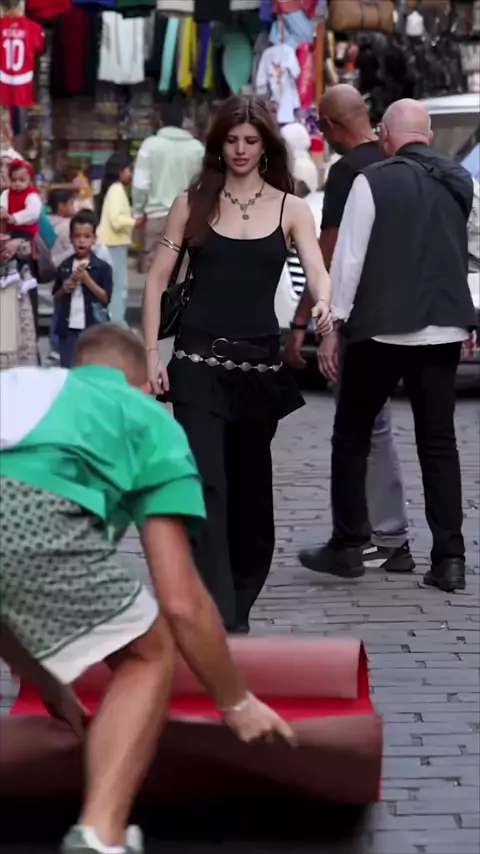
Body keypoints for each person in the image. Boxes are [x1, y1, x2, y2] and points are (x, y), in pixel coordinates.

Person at [0, 323, 294, 854]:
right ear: (143, 386)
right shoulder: (145, 416)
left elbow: (8, 601)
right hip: (30, 514)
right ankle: (101, 835)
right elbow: (181, 601)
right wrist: (235, 701)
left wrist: (48, 684)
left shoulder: (24, 386)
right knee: (149, 651)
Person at [142, 95, 332, 634]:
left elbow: (317, 268)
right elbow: (156, 280)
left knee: (250, 495)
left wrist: (323, 301)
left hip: (259, 370)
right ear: (218, 145)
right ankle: (216, 608)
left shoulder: (291, 207)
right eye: (231, 140)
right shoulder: (192, 202)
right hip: (196, 364)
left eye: (251, 140)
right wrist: (151, 352)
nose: (241, 150)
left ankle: (239, 595)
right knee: (208, 485)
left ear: (266, 145)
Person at [299, 99, 478, 593]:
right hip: (442, 329)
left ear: (385, 136)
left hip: (381, 329)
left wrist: (332, 326)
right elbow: (459, 250)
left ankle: (348, 543)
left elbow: (348, 262)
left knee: (352, 433)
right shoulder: (459, 180)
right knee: (438, 443)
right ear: (428, 136)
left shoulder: (371, 181)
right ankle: (450, 559)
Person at [286, 84, 413, 574]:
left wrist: (307, 320)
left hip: (359, 316)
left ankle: (373, 536)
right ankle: (389, 534)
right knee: (386, 428)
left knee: (361, 429)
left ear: (329, 126)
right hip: (404, 311)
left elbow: (329, 253)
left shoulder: (347, 172)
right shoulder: (398, 161)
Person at [132, 101, 204, 271]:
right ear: (182, 123)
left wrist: (137, 212)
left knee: (154, 273)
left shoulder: (150, 145)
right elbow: (203, 184)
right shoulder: (197, 148)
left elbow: (141, 185)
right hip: (188, 218)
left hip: (157, 217)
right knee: (184, 273)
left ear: (160, 122)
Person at [53, 210, 113, 368]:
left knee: (91, 368)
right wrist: (65, 288)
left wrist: (87, 280)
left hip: (93, 327)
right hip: (68, 329)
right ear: (71, 238)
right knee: (68, 368)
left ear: (94, 239)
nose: (81, 241)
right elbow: (56, 296)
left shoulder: (102, 268)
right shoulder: (65, 266)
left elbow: (105, 298)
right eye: (77, 236)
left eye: (87, 236)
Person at [97, 154, 135, 324]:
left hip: (111, 243)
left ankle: (114, 322)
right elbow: (116, 220)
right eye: (129, 169)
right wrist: (135, 222)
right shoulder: (117, 190)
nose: (131, 174)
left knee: (114, 285)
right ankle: (117, 324)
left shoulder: (113, 189)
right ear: (120, 171)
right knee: (118, 287)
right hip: (114, 244)